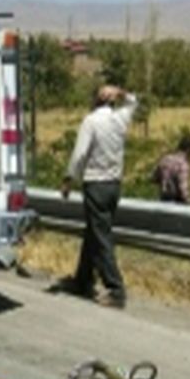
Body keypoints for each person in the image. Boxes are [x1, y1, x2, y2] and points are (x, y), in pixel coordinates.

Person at [59, 84, 137, 309]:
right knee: (94, 232)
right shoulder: (121, 118)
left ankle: (115, 288)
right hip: (114, 185)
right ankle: (82, 279)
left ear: (96, 100)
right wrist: (120, 91)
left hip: (96, 185)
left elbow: (80, 153)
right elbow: (133, 102)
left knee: (101, 235)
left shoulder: (91, 121)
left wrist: (68, 179)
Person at [154, 133, 190, 204]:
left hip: (162, 201)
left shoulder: (165, 159)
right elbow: (184, 189)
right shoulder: (183, 165)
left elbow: (154, 178)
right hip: (176, 203)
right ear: (189, 150)